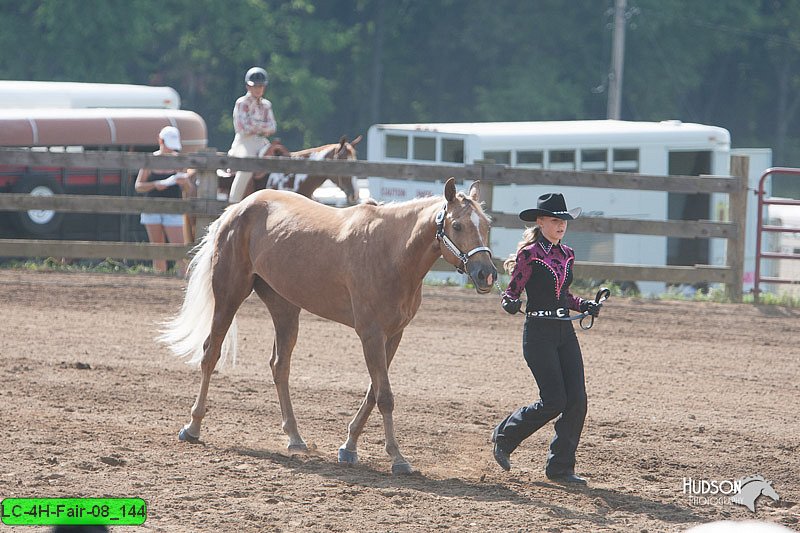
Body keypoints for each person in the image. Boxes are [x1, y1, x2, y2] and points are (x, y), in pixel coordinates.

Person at [491, 193, 602, 485]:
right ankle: (505, 435)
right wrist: (509, 303)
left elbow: (563, 296)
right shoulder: (529, 255)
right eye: (555, 220)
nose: (561, 225)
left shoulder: (567, 254)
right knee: (554, 400)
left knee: (577, 400)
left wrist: (584, 304)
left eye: (563, 220)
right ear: (540, 222)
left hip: (564, 331)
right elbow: (511, 292)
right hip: (538, 334)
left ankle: (560, 468)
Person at [134, 125, 195, 274]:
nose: (171, 150)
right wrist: (155, 185)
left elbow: (190, 190)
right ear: (160, 141)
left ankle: (183, 280)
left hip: (173, 210)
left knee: (179, 249)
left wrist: (185, 182)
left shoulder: (179, 161)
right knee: (157, 248)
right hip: (151, 208)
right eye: (168, 146)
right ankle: (160, 278)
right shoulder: (150, 160)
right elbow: (138, 186)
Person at [227, 66, 277, 203]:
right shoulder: (242, 103)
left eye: (261, 86)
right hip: (244, 141)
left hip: (262, 141)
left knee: (280, 159)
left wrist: (255, 125)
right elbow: (243, 128)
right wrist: (262, 126)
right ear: (248, 87)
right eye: (255, 86)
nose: (258, 89)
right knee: (247, 164)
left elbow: (273, 127)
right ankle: (233, 201)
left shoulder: (267, 105)